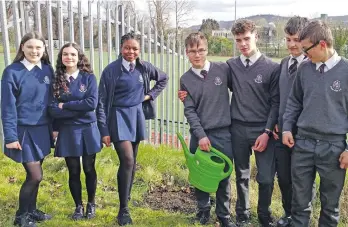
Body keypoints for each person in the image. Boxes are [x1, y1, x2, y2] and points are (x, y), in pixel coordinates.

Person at [282, 20, 348, 227]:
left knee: (330, 206)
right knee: (299, 202)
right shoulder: (304, 69)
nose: (303, 53)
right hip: (303, 144)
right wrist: (286, 127)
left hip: (333, 147)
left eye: (306, 49)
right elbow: (294, 101)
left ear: (322, 44)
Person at [96, 31, 168, 226]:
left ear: (139, 50)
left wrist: (149, 95)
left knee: (133, 161)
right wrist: (104, 130)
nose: (131, 52)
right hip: (117, 118)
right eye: (127, 47)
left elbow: (163, 78)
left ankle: (125, 198)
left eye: (135, 48)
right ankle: (123, 210)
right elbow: (101, 102)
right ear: (121, 48)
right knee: (127, 160)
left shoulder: (144, 67)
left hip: (136, 116)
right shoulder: (110, 70)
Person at [227, 19, 280, 227]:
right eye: (238, 40)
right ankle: (242, 213)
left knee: (266, 178)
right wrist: (188, 92)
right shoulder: (231, 66)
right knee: (241, 174)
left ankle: (264, 213)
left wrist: (267, 131)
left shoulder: (271, 68)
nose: (243, 44)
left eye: (246, 38)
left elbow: (276, 102)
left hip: (262, 130)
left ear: (255, 37)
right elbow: (211, 80)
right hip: (238, 127)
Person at [180, 32, 236, 227]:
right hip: (200, 135)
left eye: (201, 50)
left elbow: (239, 90)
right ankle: (203, 210)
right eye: (193, 51)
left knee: (224, 177)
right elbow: (190, 111)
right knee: (201, 176)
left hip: (223, 134)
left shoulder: (223, 69)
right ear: (186, 52)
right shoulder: (185, 79)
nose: (198, 55)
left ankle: (224, 215)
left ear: (207, 50)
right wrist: (201, 135)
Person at [1, 31, 54, 227]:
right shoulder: (12, 72)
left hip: (43, 130)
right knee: (35, 175)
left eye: (38, 47)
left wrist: (54, 128)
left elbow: (52, 102)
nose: (34, 51)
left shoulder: (47, 70)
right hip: (23, 132)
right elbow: (7, 107)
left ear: (44, 49)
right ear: (22, 47)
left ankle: (32, 210)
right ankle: (21, 216)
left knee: (36, 174)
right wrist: (10, 136)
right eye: (30, 46)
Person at [48, 42, 101, 220]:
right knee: (73, 170)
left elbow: (91, 104)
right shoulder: (57, 79)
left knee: (88, 167)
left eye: (72, 54)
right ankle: (78, 206)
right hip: (68, 130)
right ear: (61, 58)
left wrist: (66, 106)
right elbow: (53, 109)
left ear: (79, 57)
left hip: (88, 129)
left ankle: (91, 204)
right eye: (65, 54)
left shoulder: (88, 78)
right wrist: (74, 110)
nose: (69, 57)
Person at [272, 16, 309, 227]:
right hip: (281, 132)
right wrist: (279, 122)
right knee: (284, 178)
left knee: (302, 181)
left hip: (302, 134)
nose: (292, 44)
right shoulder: (284, 63)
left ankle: (300, 217)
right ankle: (288, 213)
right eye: (288, 39)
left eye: (296, 39)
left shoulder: (312, 65)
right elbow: (279, 96)